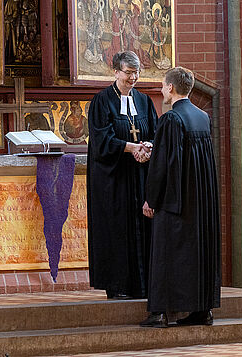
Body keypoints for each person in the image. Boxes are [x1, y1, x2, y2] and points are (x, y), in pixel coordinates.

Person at [140, 67, 221, 328]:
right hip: (201, 200)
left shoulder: (172, 119)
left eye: (164, 86)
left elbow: (164, 164)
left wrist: (152, 199)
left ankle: (159, 313)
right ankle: (203, 310)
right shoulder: (202, 118)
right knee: (198, 252)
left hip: (175, 200)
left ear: (171, 88)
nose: (163, 90)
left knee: (165, 252)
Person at [87, 51, 158, 299]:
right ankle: (118, 287)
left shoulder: (144, 101)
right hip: (114, 180)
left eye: (136, 73)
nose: (133, 78)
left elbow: (154, 132)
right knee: (118, 230)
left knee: (144, 228)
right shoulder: (102, 101)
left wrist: (148, 147)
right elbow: (102, 141)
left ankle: (144, 285)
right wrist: (132, 148)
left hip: (140, 177)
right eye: (128, 73)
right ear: (115, 71)